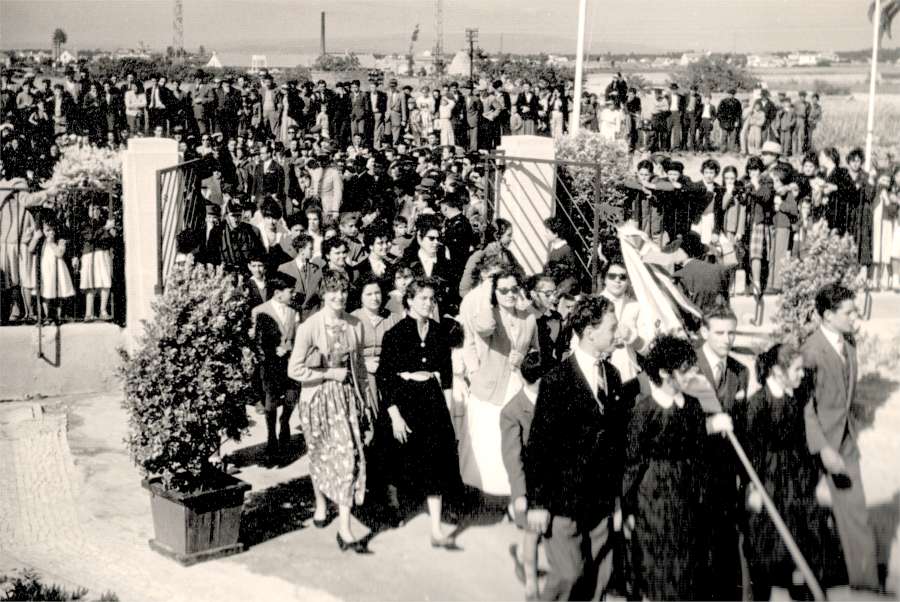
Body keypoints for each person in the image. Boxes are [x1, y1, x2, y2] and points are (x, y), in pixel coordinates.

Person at [524, 296, 628, 601]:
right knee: (569, 575)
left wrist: (617, 500)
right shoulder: (557, 380)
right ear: (590, 332)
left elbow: (616, 443)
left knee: (599, 575)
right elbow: (539, 446)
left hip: (601, 500)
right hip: (563, 500)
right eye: (612, 327)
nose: (618, 333)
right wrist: (538, 503)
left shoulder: (613, 376)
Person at [622, 335, 733, 601]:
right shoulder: (644, 411)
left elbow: (699, 450)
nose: (693, 375)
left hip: (688, 497)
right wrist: (626, 508)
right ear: (664, 372)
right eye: (685, 370)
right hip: (654, 500)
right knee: (658, 568)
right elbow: (633, 463)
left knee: (687, 567)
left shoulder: (692, 406)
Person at [744, 343, 846, 600]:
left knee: (809, 540)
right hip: (769, 481)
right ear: (778, 372)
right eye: (797, 369)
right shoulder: (758, 403)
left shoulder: (797, 397)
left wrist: (816, 477)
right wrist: (754, 488)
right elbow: (752, 451)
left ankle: (807, 591)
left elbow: (805, 442)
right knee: (767, 547)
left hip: (798, 478)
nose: (802, 374)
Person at [287, 269, 376, 553]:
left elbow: (358, 367)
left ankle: (345, 530)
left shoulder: (354, 324)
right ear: (324, 294)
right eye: (333, 291)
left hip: (345, 400)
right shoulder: (309, 327)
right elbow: (294, 369)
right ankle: (321, 503)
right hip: (316, 400)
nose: (339, 296)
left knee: (348, 457)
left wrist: (365, 401)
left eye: (343, 291)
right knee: (320, 454)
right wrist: (327, 374)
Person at [801, 284, 879, 590]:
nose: (854, 317)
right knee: (805, 513)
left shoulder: (849, 343)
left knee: (856, 512)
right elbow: (805, 407)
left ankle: (866, 583)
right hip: (814, 443)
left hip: (845, 440)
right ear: (828, 315)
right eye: (848, 313)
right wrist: (821, 448)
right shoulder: (810, 351)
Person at [377, 277, 462, 549]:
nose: (428, 303)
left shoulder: (438, 331)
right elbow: (384, 378)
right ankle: (394, 506)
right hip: (403, 398)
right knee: (398, 455)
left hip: (431, 397)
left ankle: (436, 529)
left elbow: (446, 373)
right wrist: (395, 416)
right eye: (423, 298)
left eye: (432, 298)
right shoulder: (395, 334)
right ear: (410, 300)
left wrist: (447, 410)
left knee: (437, 459)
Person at [459, 265, 539, 496]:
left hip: (517, 384)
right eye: (503, 290)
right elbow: (484, 328)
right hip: (489, 386)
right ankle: (483, 493)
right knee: (488, 441)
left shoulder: (528, 318)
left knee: (512, 439)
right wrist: (487, 289)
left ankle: (512, 491)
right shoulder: (488, 315)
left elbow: (536, 351)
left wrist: (524, 358)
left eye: (514, 289)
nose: (510, 294)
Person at [693, 305, 750, 601]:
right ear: (704, 332)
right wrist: (708, 426)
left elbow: (741, 425)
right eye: (719, 333)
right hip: (691, 472)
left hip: (725, 474)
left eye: (731, 333)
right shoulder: (689, 367)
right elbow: (675, 421)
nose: (727, 339)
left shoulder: (741, 371)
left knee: (724, 545)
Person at [500, 352, 545, 601]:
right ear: (538, 380)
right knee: (532, 532)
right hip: (530, 483)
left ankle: (521, 556)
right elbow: (512, 457)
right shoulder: (513, 411)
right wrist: (519, 494)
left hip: (553, 478)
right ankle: (531, 584)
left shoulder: (555, 399)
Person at [252, 274, 299, 463]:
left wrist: (291, 350)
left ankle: (285, 421)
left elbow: (297, 337)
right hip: (270, 365)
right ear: (278, 293)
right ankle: (271, 436)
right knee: (270, 400)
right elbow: (256, 342)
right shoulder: (260, 311)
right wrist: (272, 351)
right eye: (290, 292)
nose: (293, 295)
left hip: (290, 363)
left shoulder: (294, 312)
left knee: (292, 396)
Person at [598, 260, 646, 382]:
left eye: (622, 277)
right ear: (604, 279)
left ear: (628, 281)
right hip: (598, 370)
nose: (617, 280)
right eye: (612, 276)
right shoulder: (593, 304)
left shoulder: (636, 306)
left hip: (627, 372)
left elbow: (646, 348)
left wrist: (630, 337)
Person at [78, 199, 117, 321]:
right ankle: (88, 313)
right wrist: (105, 229)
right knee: (90, 283)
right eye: (92, 209)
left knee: (105, 281)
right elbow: (91, 236)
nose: (95, 211)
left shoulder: (104, 222)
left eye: (97, 209)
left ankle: (103, 311)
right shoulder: (85, 224)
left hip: (102, 254)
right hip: (89, 255)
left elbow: (109, 241)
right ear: (88, 211)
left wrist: (112, 233)